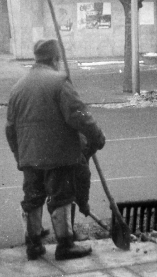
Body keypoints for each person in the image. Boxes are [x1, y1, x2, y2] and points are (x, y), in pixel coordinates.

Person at [6, 39, 105, 260]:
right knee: (61, 197)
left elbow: (10, 129)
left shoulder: (18, 87)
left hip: (29, 156)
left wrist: (19, 156)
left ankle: (33, 246)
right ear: (55, 59)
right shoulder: (59, 82)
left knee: (32, 198)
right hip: (58, 155)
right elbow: (79, 116)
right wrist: (97, 138)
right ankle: (65, 245)